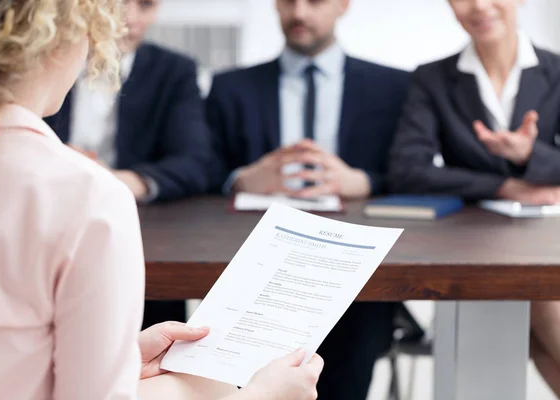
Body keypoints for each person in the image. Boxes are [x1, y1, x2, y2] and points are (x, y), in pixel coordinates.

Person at [0, 1, 323, 399]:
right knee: (211, 387)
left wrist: (121, 354)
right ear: (65, 39)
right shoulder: (89, 198)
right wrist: (262, 396)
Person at [206, 0, 409, 398]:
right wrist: (242, 178)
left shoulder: (395, 87)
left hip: (355, 265)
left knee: (347, 367)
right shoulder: (231, 87)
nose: (299, 13)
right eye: (287, 1)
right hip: (252, 262)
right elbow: (198, 167)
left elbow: (413, 172)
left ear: (344, 5)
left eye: (314, 1)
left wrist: (364, 181)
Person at [388, 0, 560, 395]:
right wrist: (502, 185)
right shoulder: (432, 78)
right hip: (471, 244)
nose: (479, 5)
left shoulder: (556, 70)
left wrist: (530, 155)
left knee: (538, 310)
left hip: (546, 240)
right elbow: (407, 169)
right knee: (531, 317)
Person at [46, 0, 215, 327]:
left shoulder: (174, 70)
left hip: (140, 226)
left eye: (146, 5)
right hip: (53, 211)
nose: (129, 17)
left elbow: (197, 162)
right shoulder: (45, 60)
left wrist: (116, 182)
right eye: (117, 3)